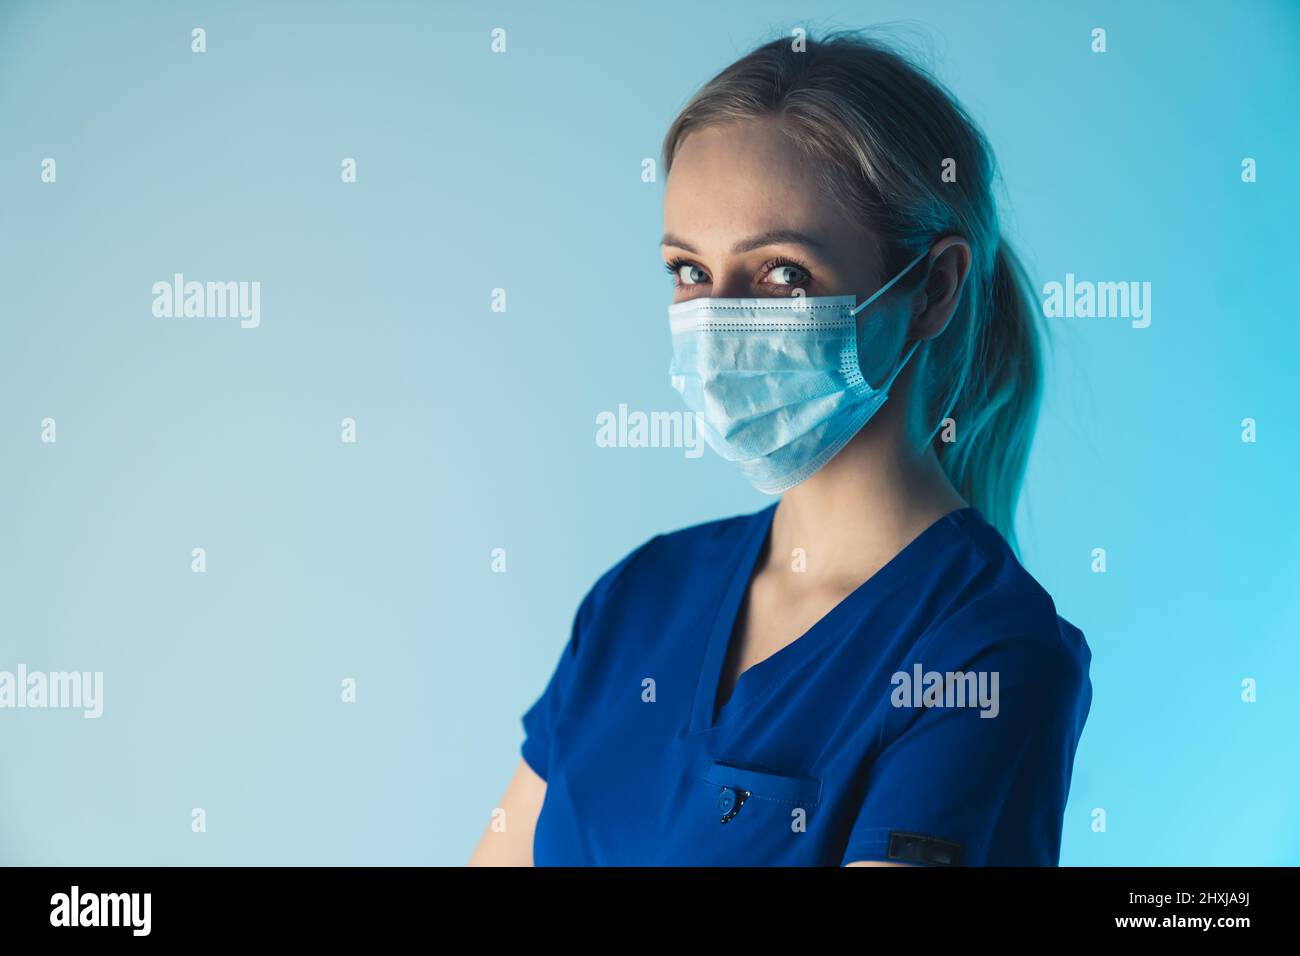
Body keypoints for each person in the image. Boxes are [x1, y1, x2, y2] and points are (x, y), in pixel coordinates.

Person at [470, 30, 1092, 867]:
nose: (717, 323)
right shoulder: (638, 599)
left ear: (932, 289)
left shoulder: (983, 657)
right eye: (690, 272)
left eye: (781, 273)